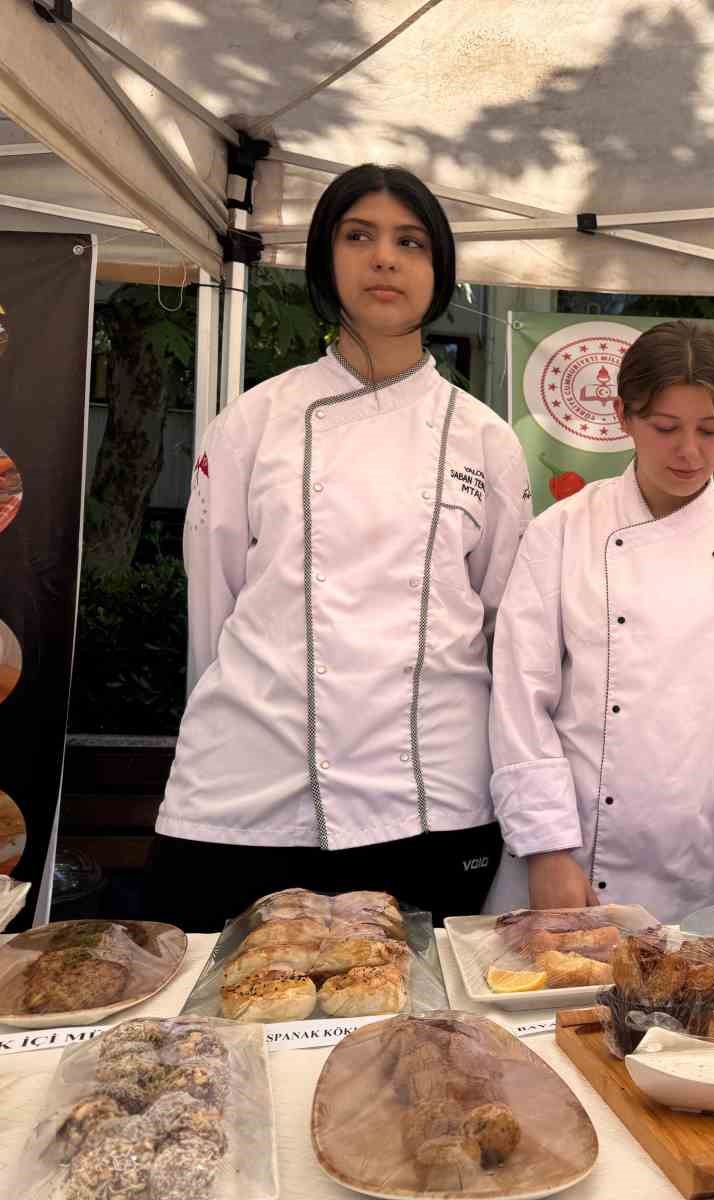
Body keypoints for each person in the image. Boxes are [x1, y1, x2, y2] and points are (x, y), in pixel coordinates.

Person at [150, 164, 532, 929]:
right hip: (250, 795)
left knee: (426, 1040)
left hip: (432, 801)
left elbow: (500, 628)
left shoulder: (485, 440)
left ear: (440, 270)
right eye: (359, 237)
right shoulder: (255, 422)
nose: (383, 259)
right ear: (326, 258)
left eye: (409, 241)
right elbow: (214, 610)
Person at [486, 320, 714, 921]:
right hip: (576, 859)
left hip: (705, 867)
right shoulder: (562, 533)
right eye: (666, 428)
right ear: (624, 416)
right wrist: (547, 848)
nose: (688, 452)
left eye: (708, 431)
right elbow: (519, 702)